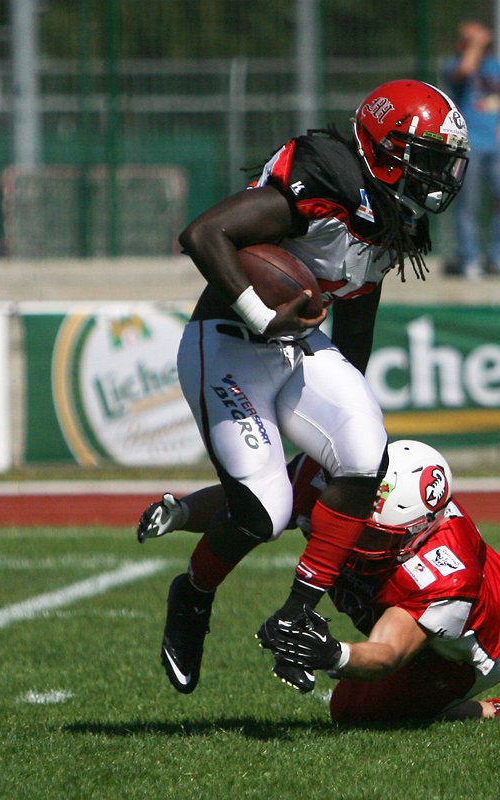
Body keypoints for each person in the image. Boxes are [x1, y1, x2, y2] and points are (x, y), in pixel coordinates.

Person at [158, 79, 470, 697]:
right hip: (228, 337)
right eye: (427, 156)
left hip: (297, 344)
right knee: (265, 512)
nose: (437, 174)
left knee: (364, 448)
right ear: (388, 146)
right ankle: (191, 595)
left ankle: (299, 609)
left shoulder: (385, 214)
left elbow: (355, 329)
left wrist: (341, 408)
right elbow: (203, 234)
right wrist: (259, 312)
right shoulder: (328, 180)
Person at [141, 441, 500, 722]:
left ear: (421, 530)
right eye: (357, 518)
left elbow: (390, 652)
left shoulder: (441, 575)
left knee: (351, 710)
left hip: (467, 651)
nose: (357, 535)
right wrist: (183, 512)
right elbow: (253, 505)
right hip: (491, 594)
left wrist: (332, 654)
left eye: (373, 533)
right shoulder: (342, 482)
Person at [442, 20, 500, 280]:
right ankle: (469, 259)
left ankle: (497, 258)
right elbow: (465, 70)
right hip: (468, 145)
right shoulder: (453, 65)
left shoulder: (494, 65)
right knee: (468, 206)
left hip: (495, 145)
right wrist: (474, 43)